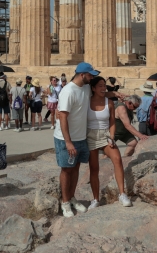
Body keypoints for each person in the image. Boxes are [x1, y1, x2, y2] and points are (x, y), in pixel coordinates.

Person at [54, 63, 102, 218]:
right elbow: (62, 117)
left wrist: (116, 95)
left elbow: (100, 93)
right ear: (82, 75)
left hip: (81, 136)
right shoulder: (68, 91)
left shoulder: (86, 88)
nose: (92, 77)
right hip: (66, 138)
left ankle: (72, 197)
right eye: (90, 75)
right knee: (66, 170)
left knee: (75, 168)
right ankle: (65, 202)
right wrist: (68, 142)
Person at [86, 76, 132, 209]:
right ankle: (95, 199)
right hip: (90, 136)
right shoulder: (87, 102)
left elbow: (112, 122)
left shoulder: (109, 103)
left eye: (104, 85)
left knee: (117, 159)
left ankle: (122, 194)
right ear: (93, 88)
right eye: (99, 86)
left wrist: (111, 136)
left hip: (105, 135)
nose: (103, 88)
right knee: (94, 168)